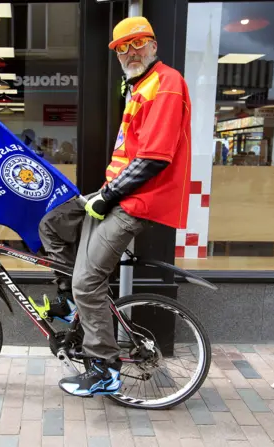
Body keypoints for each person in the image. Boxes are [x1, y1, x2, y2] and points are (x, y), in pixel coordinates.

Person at [37, 16, 192, 397]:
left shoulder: (166, 84)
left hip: (137, 202)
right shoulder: (138, 85)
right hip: (118, 194)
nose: (130, 52)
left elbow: (154, 158)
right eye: (122, 47)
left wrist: (106, 197)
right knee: (53, 225)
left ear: (154, 45)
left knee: (89, 282)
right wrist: (104, 194)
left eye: (137, 43)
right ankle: (71, 305)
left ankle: (103, 369)